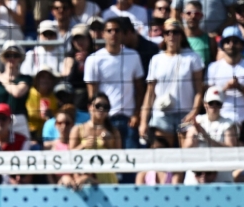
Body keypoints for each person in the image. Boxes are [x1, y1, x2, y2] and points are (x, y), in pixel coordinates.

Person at [139, 18, 203, 148]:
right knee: (160, 154)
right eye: (168, 32)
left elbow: (199, 90)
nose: (171, 35)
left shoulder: (193, 57)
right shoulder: (156, 59)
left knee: (186, 157)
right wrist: (143, 121)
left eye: (175, 32)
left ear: (181, 35)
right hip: (161, 113)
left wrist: (194, 112)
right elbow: (149, 93)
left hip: (186, 113)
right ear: (163, 35)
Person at [84, 18, 144, 150]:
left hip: (128, 119)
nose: (113, 33)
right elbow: (92, 94)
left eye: (117, 30)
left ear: (122, 34)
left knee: (131, 160)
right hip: (105, 118)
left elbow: (140, 89)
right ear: (103, 34)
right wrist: (98, 120)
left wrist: (137, 114)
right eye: (109, 30)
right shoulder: (94, 59)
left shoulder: (133, 56)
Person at [206, 25, 244, 146]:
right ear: (222, 45)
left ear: (242, 45)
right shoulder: (213, 67)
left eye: (235, 41)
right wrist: (226, 88)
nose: (231, 44)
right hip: (220, 121)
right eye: (227, 41)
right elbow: (207, 98)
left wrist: (240, 87)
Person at [0, 41, 33, 137]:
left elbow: (17, 92)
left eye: (15, 55)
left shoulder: (25, 78)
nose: (11, 58)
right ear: (3, 58)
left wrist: (0, 77)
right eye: (8, 55)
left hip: (19, 120)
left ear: (20, 58)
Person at [180, 1, 215, 65]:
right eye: (189, 13)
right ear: (183, 15)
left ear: (201, 16)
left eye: (197, 14)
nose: (193, 16)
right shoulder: (177, 38)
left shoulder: (210, 40)